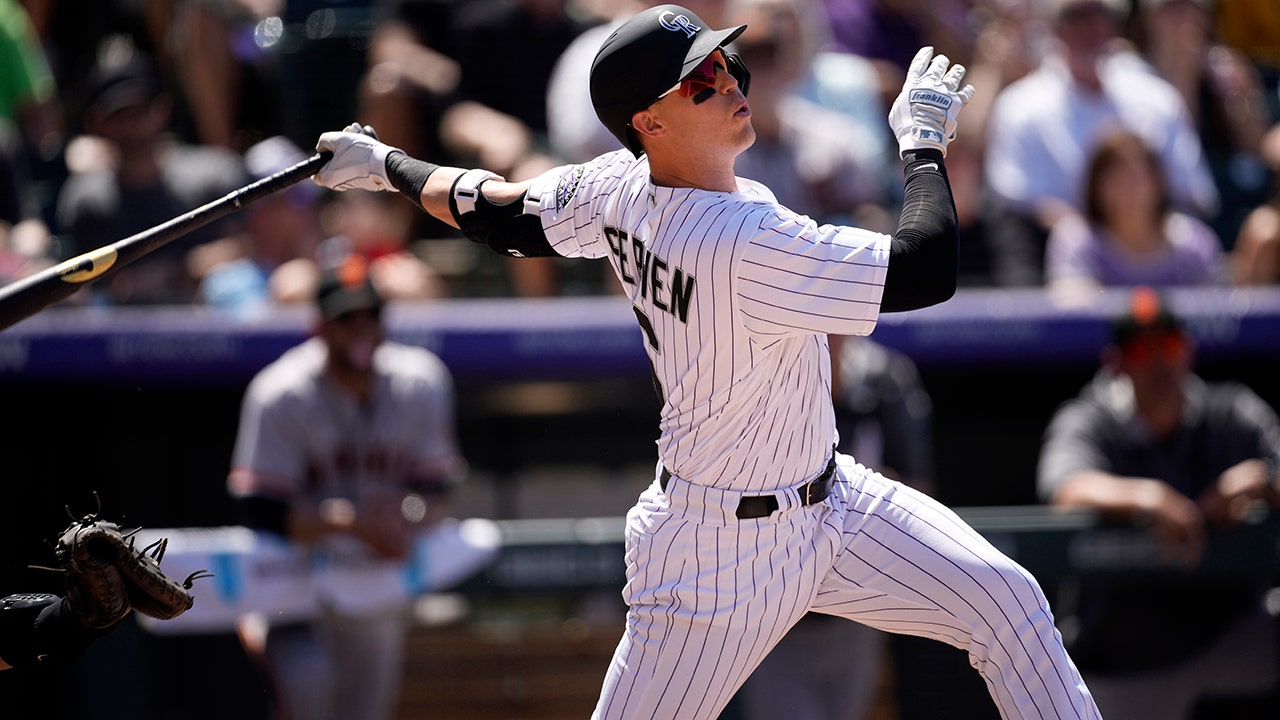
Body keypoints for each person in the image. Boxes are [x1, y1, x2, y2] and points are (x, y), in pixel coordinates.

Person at [309, 5, 1101, 719]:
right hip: (715, 555)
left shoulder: (618, 186)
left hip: (834, 505)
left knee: (1008, 605)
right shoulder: (733, 241)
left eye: (724, 65)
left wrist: (385, 166)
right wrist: (922, 145)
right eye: (699, 82)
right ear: (649, 121)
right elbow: (925, 270)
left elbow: (493, 211)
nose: (727, 81)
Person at [225, 254, 466, 720]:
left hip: (376, 583)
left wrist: (404, 514)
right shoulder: (280, 392)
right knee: (309, 688)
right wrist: (349, 522)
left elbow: (436, 492)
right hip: (295, 587)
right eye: (345, 318)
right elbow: (258, 508)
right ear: (319, 326)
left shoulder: (420, 381)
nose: (361, 330)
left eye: (370, 316)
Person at [1037, 285, 1280, 719]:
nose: (1159, 362)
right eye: (1142, 350)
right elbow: (1064, 487)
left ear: (1187, 350)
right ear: (1116, 363)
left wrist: (1261, 479)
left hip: (1229, 634)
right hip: (1129, 654)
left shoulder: (1229, 411)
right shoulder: (1093, 417)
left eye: (1168, 345)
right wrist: (1146, 497)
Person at [739, 334, 935, 720]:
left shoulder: (884, 378)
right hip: (776, 604)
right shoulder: (759, 377)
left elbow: (919, 491)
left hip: (855, 603)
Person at [982, 0, 1219, 287]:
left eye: (1100, 16)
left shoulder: (1158, 99)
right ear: (1054, 29)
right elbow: (1014, 203)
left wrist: (1135, 238)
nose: (1089, 28)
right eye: (1074, 17)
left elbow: (1191, 193)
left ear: (1115, 26)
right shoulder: (1019, 106)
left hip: (1158, 259)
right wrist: (1092, 238)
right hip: (1051, 265)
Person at [54, 42, 248, 305]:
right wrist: (124, 283)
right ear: (97, 122)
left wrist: (176, 271)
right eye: (119, 116)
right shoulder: (86, 199)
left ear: (161, 110)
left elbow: (250, 246)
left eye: (139, 112)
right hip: (120, 324)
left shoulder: (215, 173)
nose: (132, 128)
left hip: (208, 316)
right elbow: (82, 280)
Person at [1044, 128, 1227, 295]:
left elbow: (1215, 316)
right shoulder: (1076, 239)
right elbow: (1071, 312)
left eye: (1137, 178)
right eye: (1116, 181)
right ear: (1095, 188)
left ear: (1158, 183)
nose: (1128, 191)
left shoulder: (1194, 244)